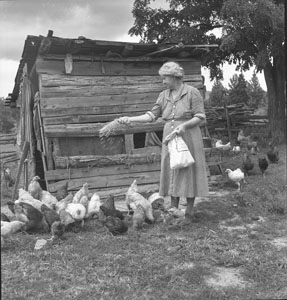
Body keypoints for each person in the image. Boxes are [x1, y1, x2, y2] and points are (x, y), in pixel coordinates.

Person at [118, 61, 209, 227]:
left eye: (165, 78)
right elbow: (151, 116)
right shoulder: (163, 95)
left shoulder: (192, 93)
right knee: (172, 170)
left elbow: (200, 116)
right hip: (170, 137)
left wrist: (184, 125)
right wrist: (130, 119)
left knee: (188, 171)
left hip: (188, 135)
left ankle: (189, 211)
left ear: (175, 77)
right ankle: (173, 210)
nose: (163, 81)